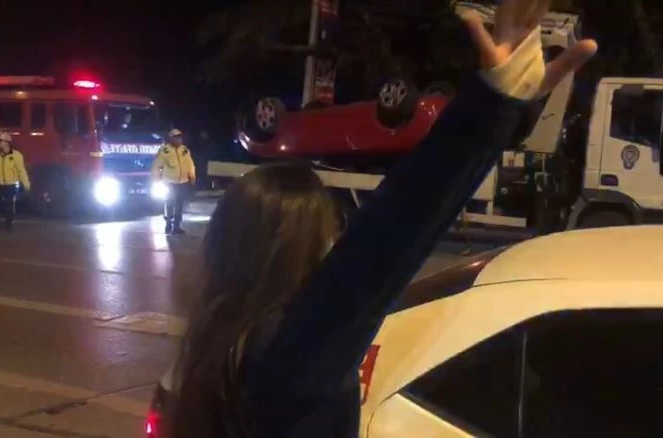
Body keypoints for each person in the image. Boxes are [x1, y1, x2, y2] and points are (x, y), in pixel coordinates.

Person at [171, 1, 597, 436]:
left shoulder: (218, 343)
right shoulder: (289, 351)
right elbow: (389, 234)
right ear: (300, 249)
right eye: (328, 234)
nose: (335, 244)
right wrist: (492, 106)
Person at [151, 128, 196, 235]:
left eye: (180, 137)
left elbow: (190, 164)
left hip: (182, 182)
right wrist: (156, 180)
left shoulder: (184, 150)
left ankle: (177, 226)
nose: (178, 139)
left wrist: (192, 176)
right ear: (171, 139)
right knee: (169, 204)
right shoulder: (165, 151)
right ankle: (168, 225)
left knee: (179, 205)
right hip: (169, 182)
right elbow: (157, 166)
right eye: (176, 137)